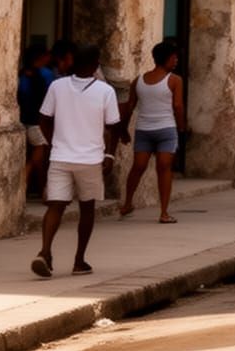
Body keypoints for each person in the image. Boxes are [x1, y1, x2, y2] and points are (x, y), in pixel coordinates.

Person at [32, 44, 120, 278]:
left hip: (60, 156)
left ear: (72, 62)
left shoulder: (57, 86)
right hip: (90, 159)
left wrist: (53, 143)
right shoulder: (105, 91)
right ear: (95, 65)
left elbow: (43, 118)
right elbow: (112, 127)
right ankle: (79, 260)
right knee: (87, 208)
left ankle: (45, 251)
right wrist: (109, 155)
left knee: (56, 205)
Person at [117, 40, 186, 223]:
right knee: (164, 168)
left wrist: (123, 129)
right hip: (166, 129)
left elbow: (129, 107)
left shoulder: (139, 80)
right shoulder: (175, 80)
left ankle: (127, 203)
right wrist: (181, 128)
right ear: (167, 59)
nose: (176, 60)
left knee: (138, 167)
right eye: (174, 57)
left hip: (144, 130)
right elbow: (178, 106)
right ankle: (164, 212)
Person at [18, 45, 54, 200]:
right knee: (36, 160)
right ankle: (22, 186)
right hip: (37, 122)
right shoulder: (46, 74)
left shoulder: (21, 75)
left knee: (38, 160)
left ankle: (40, 191)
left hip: (24, 119)